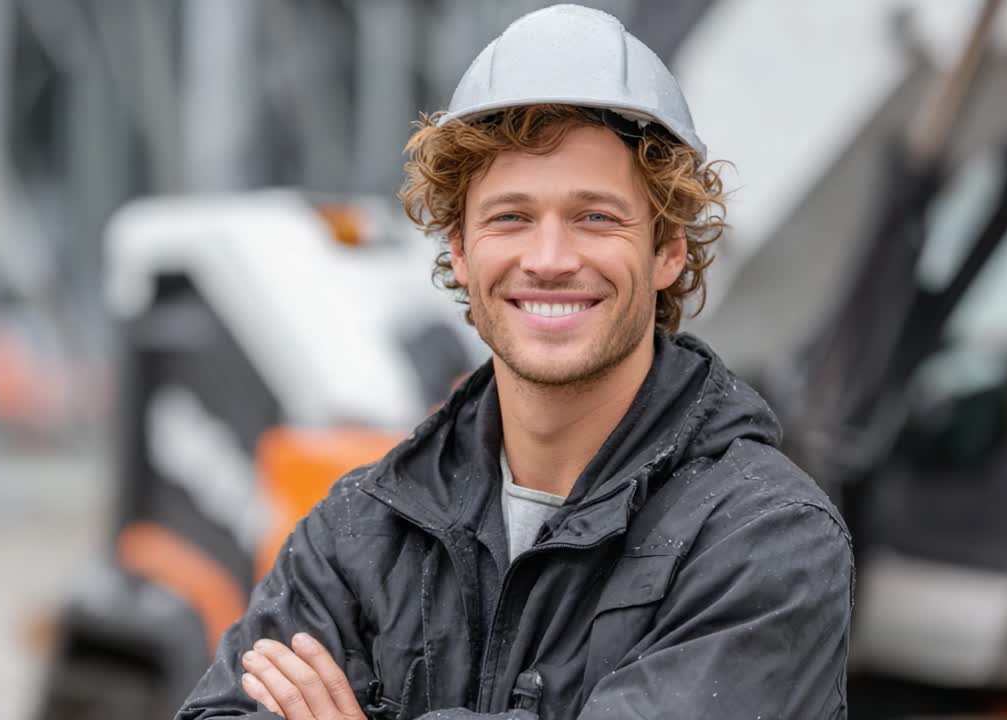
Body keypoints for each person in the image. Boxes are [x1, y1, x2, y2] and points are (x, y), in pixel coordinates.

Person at [176, 4, 852, 719]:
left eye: (595, 216)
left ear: (668, 251)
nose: (551, 260)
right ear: (461, 253)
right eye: (511, 217)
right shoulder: (362, 529)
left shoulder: (767, 540)